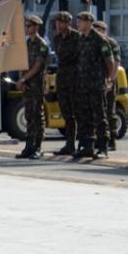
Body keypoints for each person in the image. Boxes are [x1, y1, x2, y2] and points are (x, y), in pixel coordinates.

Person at [74, 12, 115, 161]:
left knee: (99, 116)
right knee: (84, 116)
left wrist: (109, 80)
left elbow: (109, 61)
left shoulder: (99, 39)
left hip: (96, 84)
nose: (78, 24)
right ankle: (87, 146)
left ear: (88, 22)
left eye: (80, 21)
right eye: (78, 21)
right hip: (83, 84)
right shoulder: (81, 38)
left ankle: (103, 147)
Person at [15, 15, 48, 160]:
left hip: (37, 84)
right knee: (28, 114)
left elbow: (37, 66)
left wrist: (24, 78)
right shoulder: (27, 44)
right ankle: (29, 146)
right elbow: (22, 62)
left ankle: (38, 147)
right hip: (27, 84)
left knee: (37, 116)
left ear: (36, 27)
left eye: (29, 26)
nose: (27, 29)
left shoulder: (42, 45)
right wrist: (21, 79)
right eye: (26, 26)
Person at [51, 12, 80, 156]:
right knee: (66, 113)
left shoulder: (77, 37)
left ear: (68, 23)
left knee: (78, 112)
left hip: (75, 78)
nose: (58, 25)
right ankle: (69, 144)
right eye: (57, 22)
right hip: (62, 77)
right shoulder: (56, 38)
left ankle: (81, 144)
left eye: (61, 22)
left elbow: (76, 56)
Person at [93, 20, 122, 152]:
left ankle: (112, 140)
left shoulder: (111, 43)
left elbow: (115, 63)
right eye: (95, 29)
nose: (97, 32)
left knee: (110, 111)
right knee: (99, 111)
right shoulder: (94, 42)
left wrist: (110, 80)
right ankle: (99, 140)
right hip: (97, 80)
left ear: (104, 30)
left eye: (99, 30)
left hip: (109, 80)